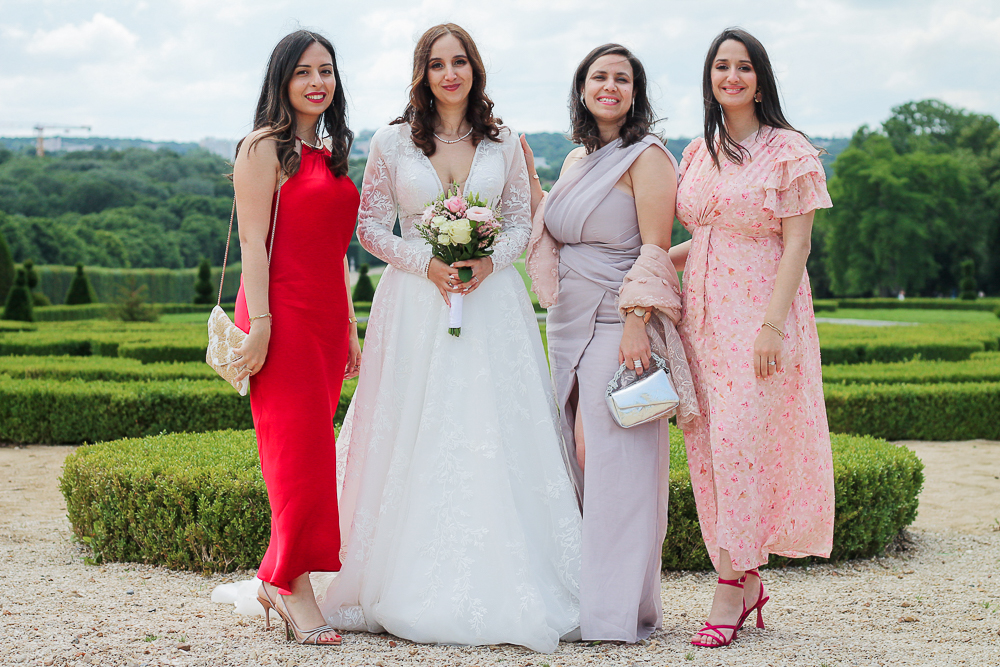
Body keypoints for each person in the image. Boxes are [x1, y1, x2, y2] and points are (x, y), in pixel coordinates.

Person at [316, 23, 582, 653]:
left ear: (475, 69)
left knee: (492, 424)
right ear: (423, 74)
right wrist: (426, 262)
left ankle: (516, 577)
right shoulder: (390, 142)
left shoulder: (506, 141)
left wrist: (488, 262)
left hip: (492, 305)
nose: (450, 74)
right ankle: (392, 574)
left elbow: (520, 222)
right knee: (413, 424)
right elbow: (371, 228)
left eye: (459, 61)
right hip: (416, 304)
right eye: (437, 64)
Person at [524, 43, 699, 643]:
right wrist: (530, 179)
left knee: (613, 458)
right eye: (599, 76)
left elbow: (655, 248)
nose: (610, 86)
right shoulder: (578, 159)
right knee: (573, 457)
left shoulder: (648, 157)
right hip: (566, 324)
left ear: (635, 93)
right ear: (582, 88)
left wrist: (636, 322)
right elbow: (554, 228)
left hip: (617, 321)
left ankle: (616, 612)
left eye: (622, 78)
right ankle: (582, 597)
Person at [670, 28, 835, 648]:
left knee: (738, 443)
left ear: (760, 81)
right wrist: (645, 268)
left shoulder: (788, 151)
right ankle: (744, 579)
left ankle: (727, 589)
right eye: (721, 66)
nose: (731, 77)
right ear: (710, 79)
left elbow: (798, 244)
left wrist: (771, 326)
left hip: (758, 316)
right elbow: (704, 238)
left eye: (743, 67)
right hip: (700, 318)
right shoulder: (698, 151)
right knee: (709, 448)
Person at [229, 30, 361, 646]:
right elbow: (253, 242)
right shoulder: (263, 148)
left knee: (312, 454)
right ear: (281, 80)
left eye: (326, 71)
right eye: (303, 71)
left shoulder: (331, 154)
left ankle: (274, 576)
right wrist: (259, 326)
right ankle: (292, 587)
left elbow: (335, 252)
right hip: (277, 315)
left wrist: (349, 326)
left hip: (326, 319)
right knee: (295, 457)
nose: (317, 82)